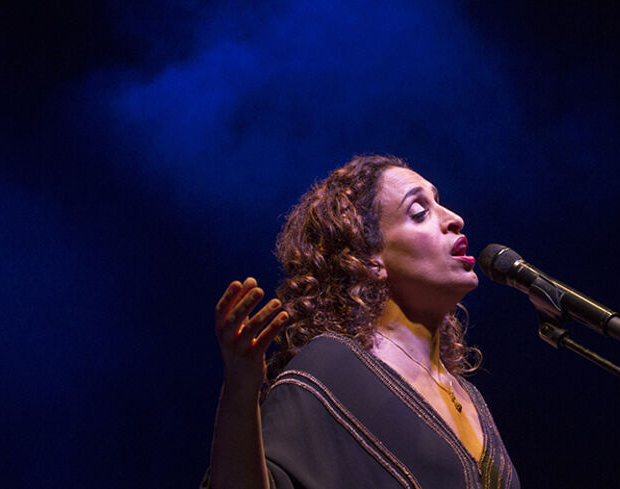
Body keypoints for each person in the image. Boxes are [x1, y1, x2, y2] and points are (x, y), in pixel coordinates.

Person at [203, 154, 519, 489]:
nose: (454, 219)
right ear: (369, 259)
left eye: (440, 203)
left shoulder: (470, 396)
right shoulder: (331, 368)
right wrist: (240, 390)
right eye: (419, 212)